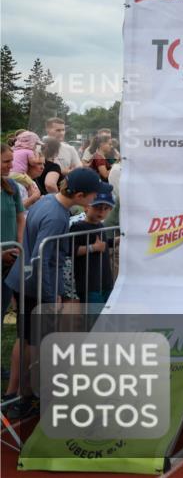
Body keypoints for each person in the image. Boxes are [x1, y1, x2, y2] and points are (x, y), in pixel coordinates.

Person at [3, 168, 111, 419]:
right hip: (37, 285)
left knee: (25, 337)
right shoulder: (57, 217)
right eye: (93, 195)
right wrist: (53, 297)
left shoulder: (48, 200)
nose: (95, 199)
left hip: (25, 280)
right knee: (36, 342)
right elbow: (43, 259)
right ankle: (27, 396)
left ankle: (13, 393)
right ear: (80, 195)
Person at [69, 192, 117, 305]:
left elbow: (103, 244)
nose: (101, 211)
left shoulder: (100, 225)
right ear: (86, 207)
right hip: (89, 285)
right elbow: (70, 249)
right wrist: (92, 248)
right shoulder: (78, 227)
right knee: (94, 315)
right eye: (97, 207)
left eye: (106, 208)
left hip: (105, 281)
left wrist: (116, 240)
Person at [1, 144, 25, 320]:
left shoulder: (11, 185)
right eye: (6, 161)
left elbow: (20, 217)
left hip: (9, 261)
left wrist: (19, 245)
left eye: (12, 160)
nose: (11, 165)